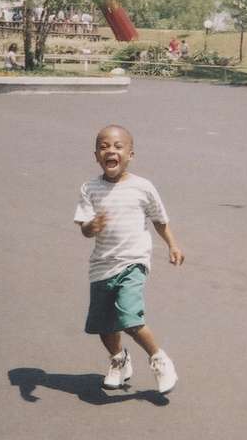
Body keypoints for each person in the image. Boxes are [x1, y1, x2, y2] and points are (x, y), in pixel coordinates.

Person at [74, 125, 184, 394]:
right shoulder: (89, 188)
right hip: (102, 266)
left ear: (130, 154)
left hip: (133, 262)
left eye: (118, 146)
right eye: (103, 146)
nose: (110, 150)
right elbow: (84, 229)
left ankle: (159, 359)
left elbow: (159, 220)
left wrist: (172, 244)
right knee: (103, 325)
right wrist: (92, 227)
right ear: (96, 155)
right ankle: (119, 360)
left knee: (129, 316)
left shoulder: (142, 187)